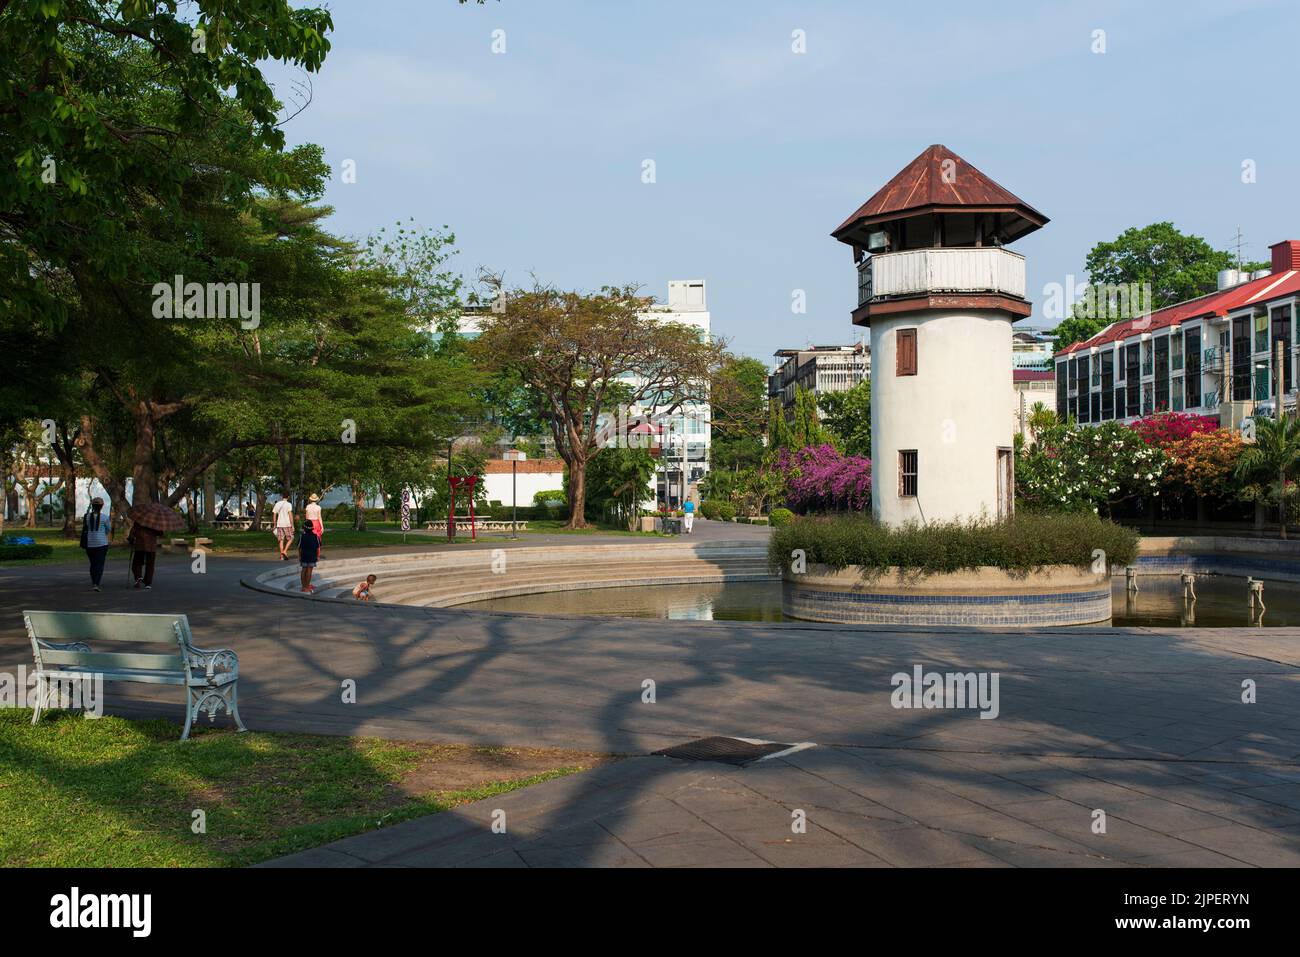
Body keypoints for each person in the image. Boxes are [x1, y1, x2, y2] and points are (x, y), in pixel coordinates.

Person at [82, 497, 113, 591]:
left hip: (90, 544)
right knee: (99, 564)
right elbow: (109, 529)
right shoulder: (105, 517)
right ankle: (96, 583)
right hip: (102, 544)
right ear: (102, 506)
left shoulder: (86, 516)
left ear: (92, 505)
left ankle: (93, 582)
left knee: (93, 563)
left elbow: (85, 528)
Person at [129, 522, 159, 590]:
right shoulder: (155, 521)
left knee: (137, 563)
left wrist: (131, 539)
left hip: (140, 545)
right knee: (150, 565)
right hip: (151, 546)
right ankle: (148, 583)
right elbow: (160, 533)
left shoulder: (139, 519)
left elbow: (133, 530)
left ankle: (138, 576)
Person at [298, 520, 320, 593]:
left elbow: (299, 548)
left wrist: (299, 556)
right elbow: (317, 547)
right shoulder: (315, 536)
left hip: (304, 555)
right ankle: (307, 586)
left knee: (304, 570)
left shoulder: (302, 536)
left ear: (304, 528)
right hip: (312, 556)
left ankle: (303, 586)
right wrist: (317, 556)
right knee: (309, 571)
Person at [271, 496, 294, 560]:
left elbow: (274, 514)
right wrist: (292, 525)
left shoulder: (277, 504)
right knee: (291, 538)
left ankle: (281, 556)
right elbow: (290, 515)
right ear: (288, 497)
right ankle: (285, 551)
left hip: (279, 524)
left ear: (281, 496)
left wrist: (275, 524)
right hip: (287, 524)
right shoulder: (288, 504)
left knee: (281, 540)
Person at [305, 493, 324, 558]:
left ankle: (309, 553)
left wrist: (306, 524)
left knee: (309, 538)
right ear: (316, 500)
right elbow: (319, 517)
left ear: (311, 500)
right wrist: (322, 526)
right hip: (316, 523)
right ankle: (317, 555)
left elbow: (306, 517)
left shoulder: (308, 506)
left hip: (309, 522)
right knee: (317, 539)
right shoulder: (318, 507)